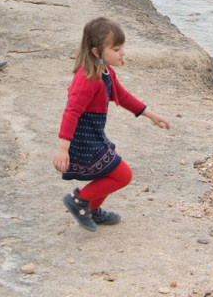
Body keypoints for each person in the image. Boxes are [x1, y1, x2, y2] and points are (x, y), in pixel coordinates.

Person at [53, 16, 171, 230]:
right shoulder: (89, 79)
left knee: (108, 172)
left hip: (94, 134)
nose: (122, 52)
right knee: (122, 174)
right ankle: (79, 201)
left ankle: (92, 210)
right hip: (83, 139)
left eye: (122, 47)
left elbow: (122, 96)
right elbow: (71, 112)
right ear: (97, 52)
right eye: (116, 49)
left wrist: (150, 114)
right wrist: (63, 149)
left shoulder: (105, 71)